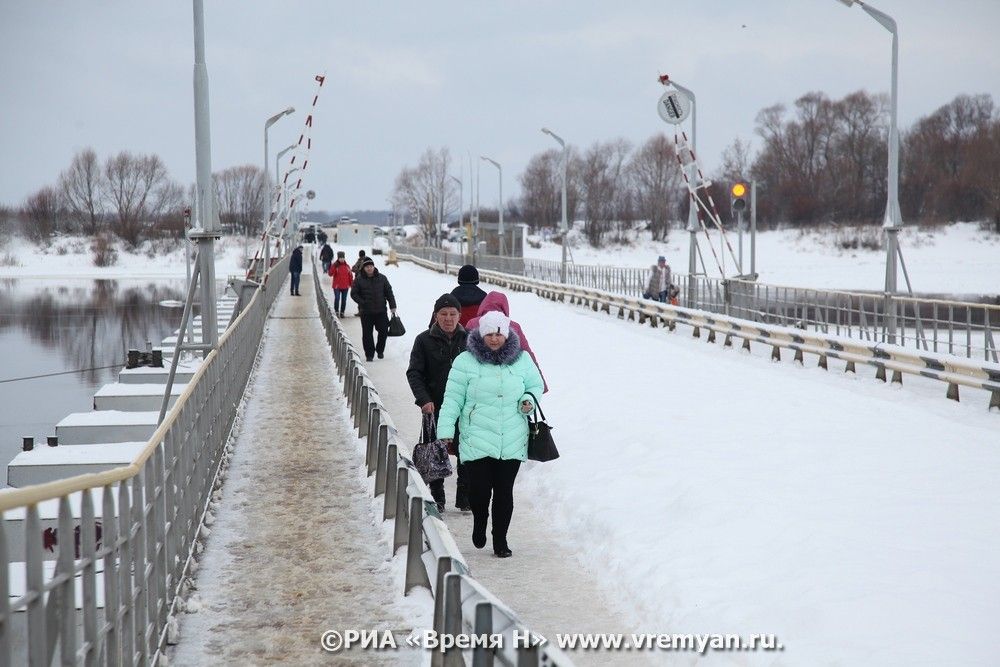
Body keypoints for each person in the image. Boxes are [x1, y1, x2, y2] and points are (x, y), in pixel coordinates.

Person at [438, 311, 544, 558]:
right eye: (489, 334)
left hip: (512, 435)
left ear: (506, 335)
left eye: (499, 334)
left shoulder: (522, 360)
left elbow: (535, 385)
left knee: (504, 491)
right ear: (481, 334)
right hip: (476, 436)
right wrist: (445, 431)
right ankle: (480, 520)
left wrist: (528, 400)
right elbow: (452, 399)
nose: (494, 339)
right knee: (479, 490)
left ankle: (500, 540)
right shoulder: (465, 362)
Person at [406, 294, 469, 512]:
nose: (448, 318)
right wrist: (424, 399)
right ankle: (438, 495)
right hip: (435, 405)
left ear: (459, 315)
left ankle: (464, 496)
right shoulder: (423, 340)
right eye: (444, 314)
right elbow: (414, 373)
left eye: (453, 314)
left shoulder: (469, 339)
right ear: (436, 316)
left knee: (465, 449)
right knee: (435, 450)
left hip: (464, 406)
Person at [467, 291, 548, 393]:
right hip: (506, 380)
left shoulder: (473, 323)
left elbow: (464, 350)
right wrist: (541, 382)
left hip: (478, 380)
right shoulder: (513, 325)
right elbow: (527, 353)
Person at [350, 257, 397, 361]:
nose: (369, 268)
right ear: (364, 268)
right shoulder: (359, 279)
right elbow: (353, 294)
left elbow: (389, 292)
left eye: (371, 266)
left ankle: (380, 350)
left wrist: (393, 306)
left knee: (383, 331)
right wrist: (363, 302)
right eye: (367, 267)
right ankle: (369, 354)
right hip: (366, 312)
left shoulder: (382, 278)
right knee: (367, 334)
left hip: (381, 311)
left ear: (373, 266)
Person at [328, 250, 353, 316]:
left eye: (343, 258)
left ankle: (342, 312)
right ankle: (336, 311)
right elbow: (330, 274)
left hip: (345, 286)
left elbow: (350, 276)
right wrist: (333, 266)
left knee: (344, 300)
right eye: (340, 258)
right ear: (338, 258)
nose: (342, 259)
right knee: (337, 298)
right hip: (337, 286)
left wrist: (351, 284)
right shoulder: (335, 266)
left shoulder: (347, 266)